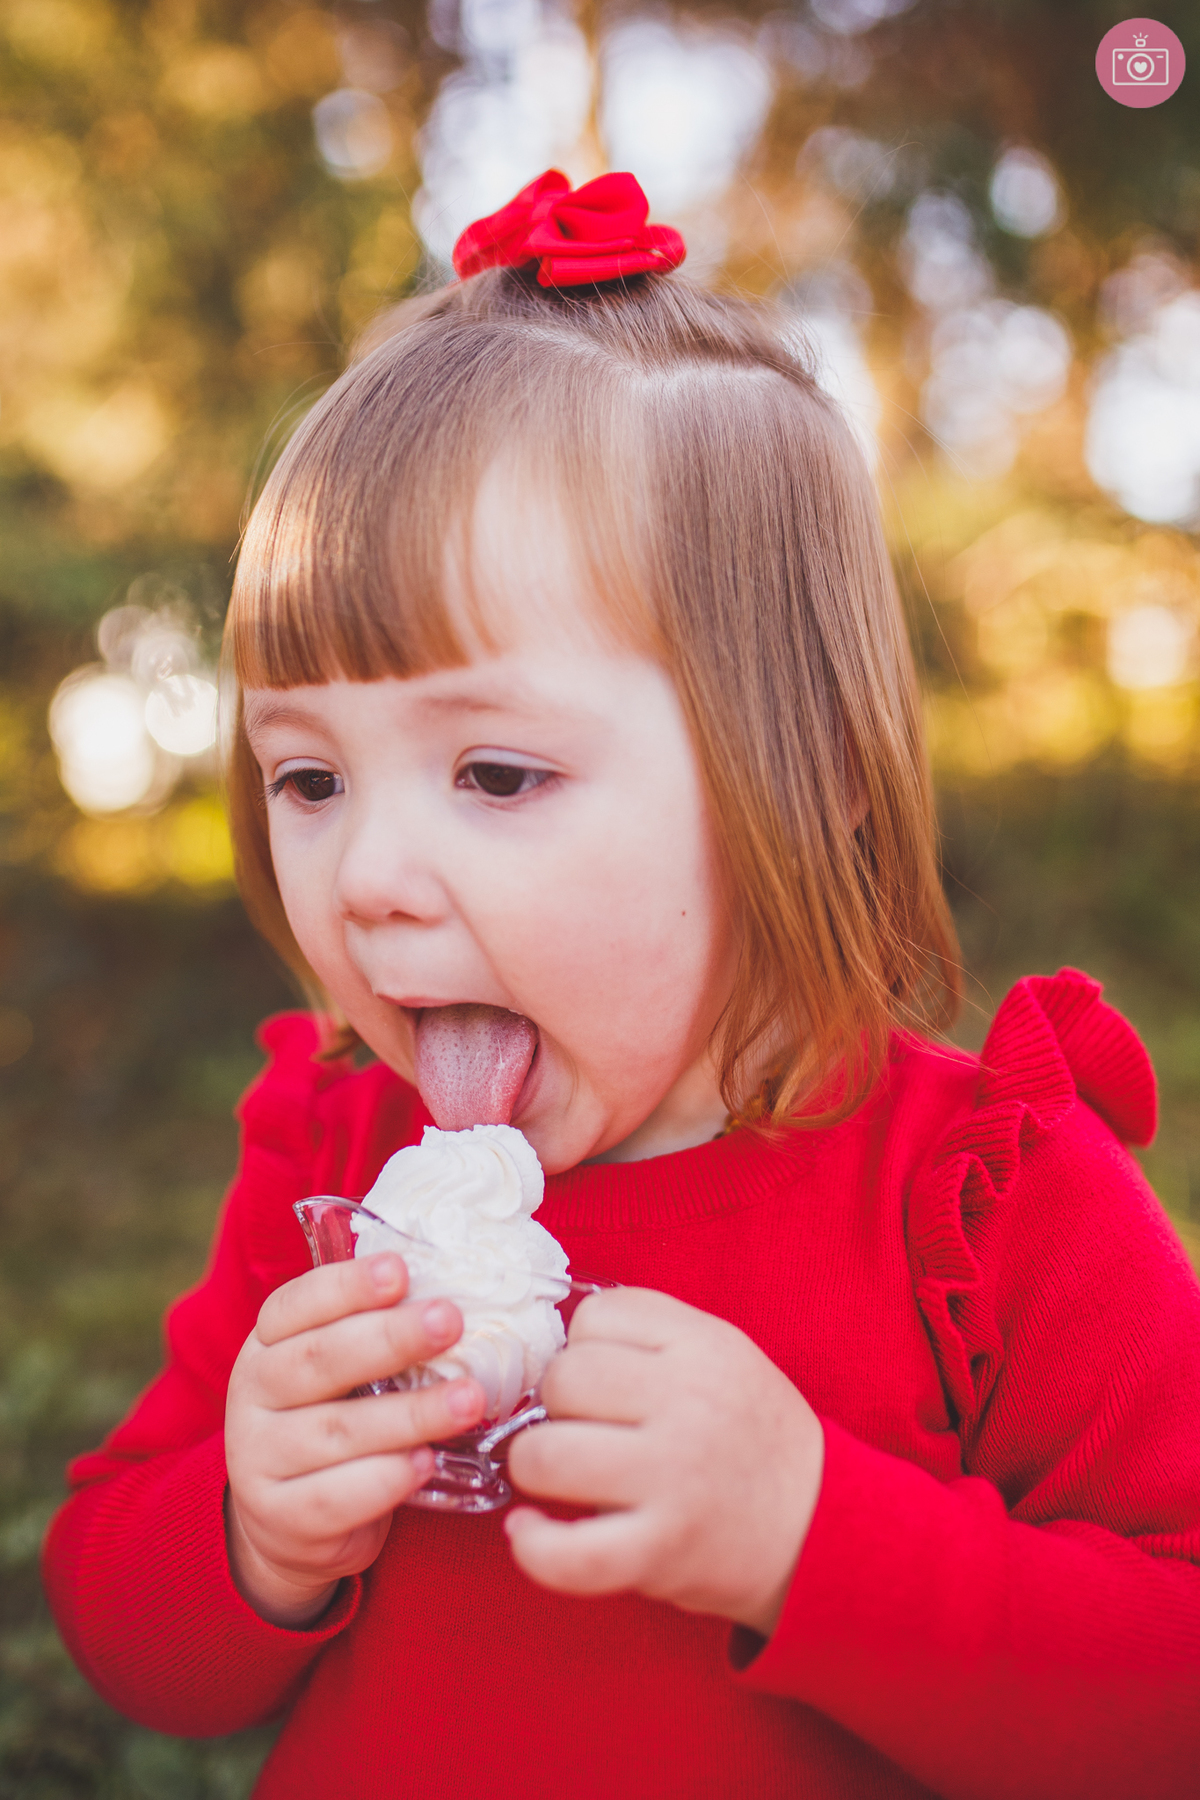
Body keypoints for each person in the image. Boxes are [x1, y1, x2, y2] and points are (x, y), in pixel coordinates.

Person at [43, 171, 1200, 1800]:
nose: (366, 874)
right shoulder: (330, 1160)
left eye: (496, 773)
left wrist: (817, 1537)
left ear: (806, 772)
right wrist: (250, 1529)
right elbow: (122, 1624)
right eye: (308, 778)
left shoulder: (982, 1197)